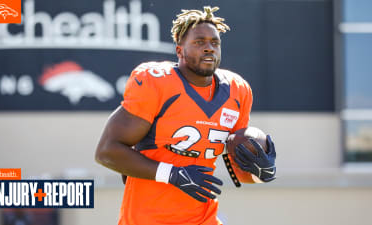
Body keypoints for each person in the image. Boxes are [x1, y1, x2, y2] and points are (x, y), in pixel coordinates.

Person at [95, 6, 276, 225]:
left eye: (214, 42)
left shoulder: (238, 91)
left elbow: (236, 168)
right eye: (199, 42)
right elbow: (107, 151)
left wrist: (259, 167)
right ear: (180, 51)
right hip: (147, 218)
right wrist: (172, 173)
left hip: (202, 217)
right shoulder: (157, 83)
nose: (209, 48)